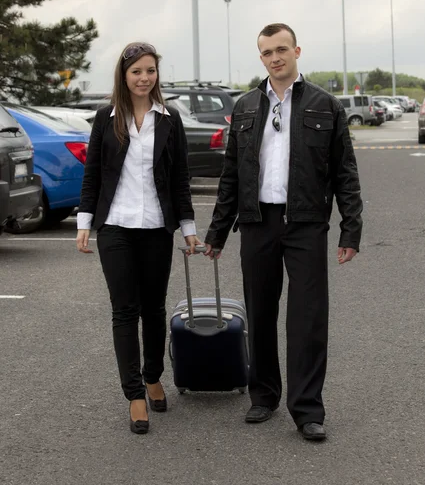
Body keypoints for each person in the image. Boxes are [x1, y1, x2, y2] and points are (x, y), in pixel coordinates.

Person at [204, 23, 363, 441]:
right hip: (258, 222)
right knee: (259, 312)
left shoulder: (324, 105)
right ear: (261, 58)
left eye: (281, 50)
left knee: (308, 319)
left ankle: (307, 410)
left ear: (296, 51)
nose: (275, 58)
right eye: (267, 52)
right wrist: (217, 232)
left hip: (306, 224)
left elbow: (345, 172)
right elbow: (231, 176)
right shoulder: (245, 106)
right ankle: (263, 395)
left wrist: (351, 231)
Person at [76, 42, 201, 435]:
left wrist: (189, 227)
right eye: (136, 72)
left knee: (154, 309)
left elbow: (180, 177)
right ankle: (133, 394)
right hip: (115, 226)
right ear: (124, 76)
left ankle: (152, 376)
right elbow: (93, 174)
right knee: (124, 310)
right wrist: (84, 222)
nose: (144, 78)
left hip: (155, 227)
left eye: (150, 71)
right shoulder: (105, 118)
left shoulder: (169, 119)